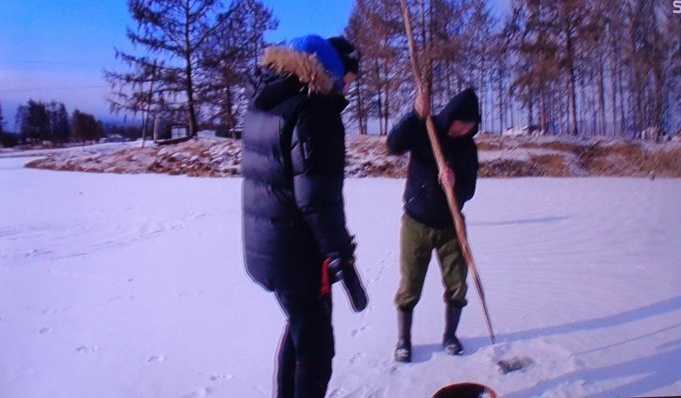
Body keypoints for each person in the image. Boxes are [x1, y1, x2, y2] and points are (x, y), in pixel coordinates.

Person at [241, 35, 366, 398]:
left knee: (300, 329)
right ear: (326, 72)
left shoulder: (266, 104)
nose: (346, 88)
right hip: (299, 253)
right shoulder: (315, 112)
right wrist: (340, 253)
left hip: (267, 248)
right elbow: (317, 200)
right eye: (346, 80)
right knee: (316, 348)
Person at [387, 88, 481, 363]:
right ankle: (403, 341)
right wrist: (415, 114)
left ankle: (450, 336)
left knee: (457, 285)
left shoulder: (467, 148)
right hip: (416, 222)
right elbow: (394, 145)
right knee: (409, 285)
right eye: (461, 123)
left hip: (451, 226)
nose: (464, 130)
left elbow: (470, 189)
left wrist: (455, 184)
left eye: (470, 126)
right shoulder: (425, 130)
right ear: (451, 116)